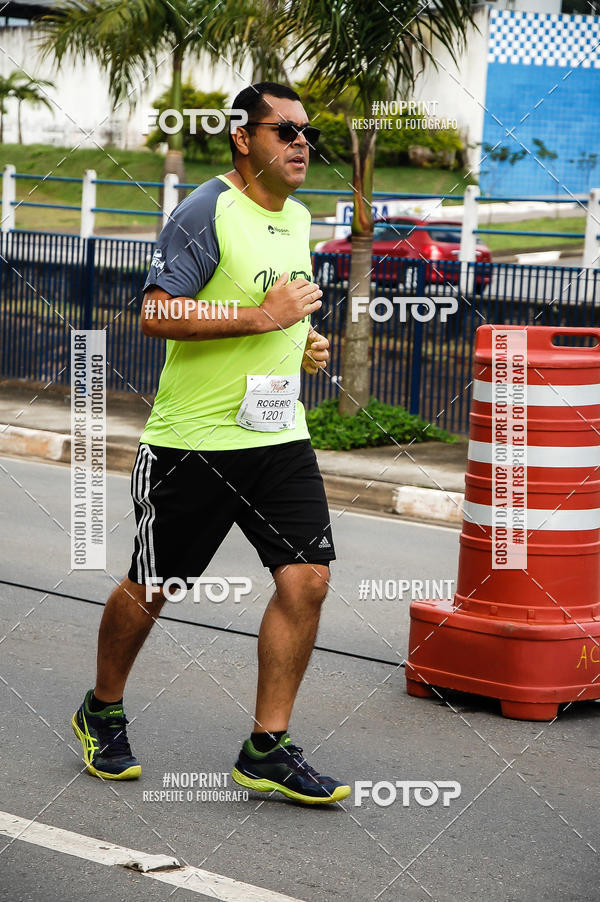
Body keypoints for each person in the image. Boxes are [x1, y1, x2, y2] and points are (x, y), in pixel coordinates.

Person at [72, 81, 351, 805]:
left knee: (308, 579)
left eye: (306, 132)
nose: (300, 143)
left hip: (278, 437)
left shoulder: (297, 218)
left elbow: (278, 312)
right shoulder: (206, 210)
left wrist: (302, 344)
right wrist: (263, 318)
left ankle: (267, 746)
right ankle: (101, 707)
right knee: (155, 585)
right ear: (243, 137)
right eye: (284, 129)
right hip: (193, 443)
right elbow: (157, 315)